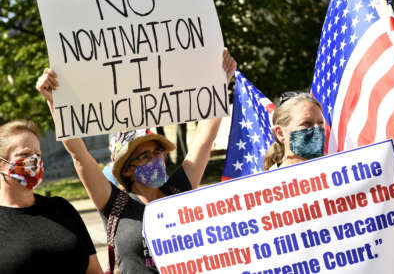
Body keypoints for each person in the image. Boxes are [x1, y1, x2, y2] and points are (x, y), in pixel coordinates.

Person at [36, 49, 236, 274]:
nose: (156, 158)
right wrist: (55, 101)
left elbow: (203, 140)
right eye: (145, 156)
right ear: (128, 169)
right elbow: (79, 156)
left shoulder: (177, 190)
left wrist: (220, 84)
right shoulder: (116, 204)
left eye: (158, 151)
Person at [0, 120, 103, 274]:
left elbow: (94, 271)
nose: (34, 161)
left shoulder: (61, 208)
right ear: (2, 164)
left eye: (38, 154)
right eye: (25, 154)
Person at [263, 92, 325, 170]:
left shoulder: (339, 169)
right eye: (306, 123)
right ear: (280, 133)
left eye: (320, 124)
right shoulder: (269, 180)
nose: (317, 129)